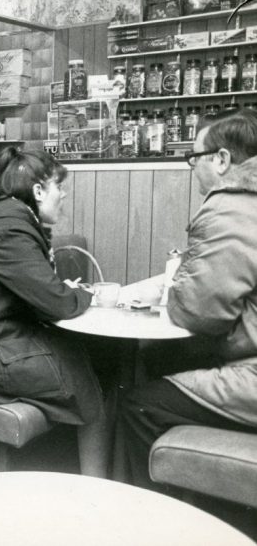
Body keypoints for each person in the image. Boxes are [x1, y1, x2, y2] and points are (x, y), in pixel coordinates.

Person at [0, 146, 113, 477]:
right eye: (59, 186)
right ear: (38, 191)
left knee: (97, 360)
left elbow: (42, 295)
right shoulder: (9, 231)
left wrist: (69, 292)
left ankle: (104, 478)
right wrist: (88, 294)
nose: (64, 194)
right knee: (89, 385)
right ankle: (99, 490)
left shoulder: (5, 221)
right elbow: (58, 303)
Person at [122, 110, 257, 491]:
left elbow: (198, 314)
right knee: (159, 358)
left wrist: (176, 285)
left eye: (193, 159)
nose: (192, 168)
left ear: (222, 160)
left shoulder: (232, 204)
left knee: (138, 405)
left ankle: (155, 517)